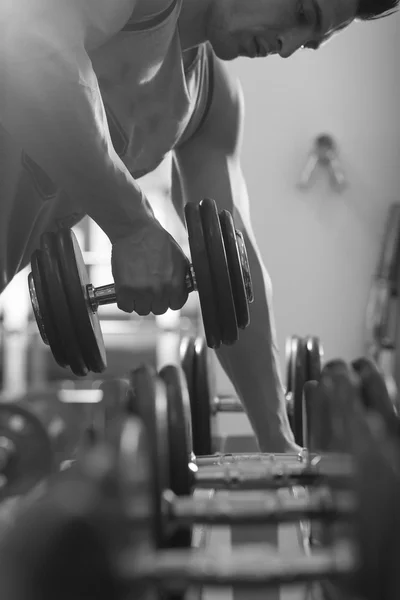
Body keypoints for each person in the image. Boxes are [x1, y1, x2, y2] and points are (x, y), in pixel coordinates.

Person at [0, 0, 397, 452]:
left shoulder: (208, 98)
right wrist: (133, 227)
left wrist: (276, 440)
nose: (288, 45)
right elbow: (23, 48)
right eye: (302, 12)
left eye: (309, 42)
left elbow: (232, 272)